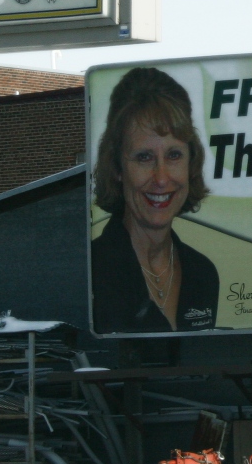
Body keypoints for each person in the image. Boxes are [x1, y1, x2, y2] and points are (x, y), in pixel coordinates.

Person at [91, 67, 221, 332]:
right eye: (144, 157)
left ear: (191, 162)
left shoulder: (203, 273)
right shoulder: (92, 272)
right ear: (117, 168)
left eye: (174, 155)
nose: (161, 179)